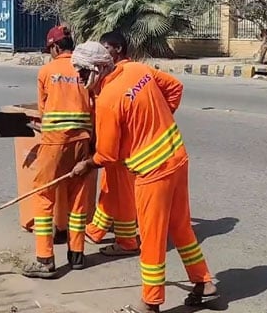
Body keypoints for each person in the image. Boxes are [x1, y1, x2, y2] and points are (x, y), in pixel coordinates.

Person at [70, 39, 218, 312]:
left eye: (81, 72)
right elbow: (175, 87)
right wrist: (159, 116)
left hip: (152, 172)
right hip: (176, 157)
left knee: (151, 239)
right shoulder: (137, 70)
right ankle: (204, 282)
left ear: (98, 68)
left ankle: (150, 303)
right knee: (180, 226)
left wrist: (85, 165)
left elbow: (107, 156)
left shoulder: (108, 101)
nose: (79, 79)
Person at [22, 26, 92, 279]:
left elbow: (43, 109)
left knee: (43, 196)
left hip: (54, 141)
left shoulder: (47, 71)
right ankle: (77, 256)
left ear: (54, 47)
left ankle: (45, 259)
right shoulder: (85, 68)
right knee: (77, 198)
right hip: (83, 140)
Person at [85, 31, 140, 256]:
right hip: (113, 140)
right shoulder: (112, 74)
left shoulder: (128, 71)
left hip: (123, 146)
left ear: (117, 49)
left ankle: (127, 241)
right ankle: (97, 229)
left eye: (106, 48)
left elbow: (173, 90)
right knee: (109, 188)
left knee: (122, 193)